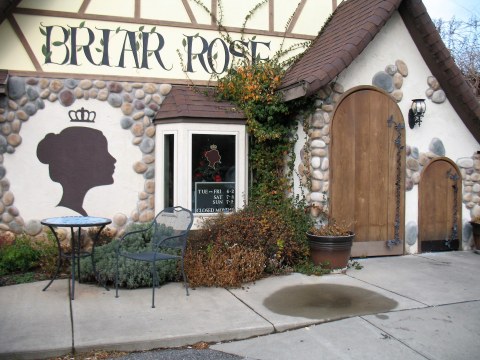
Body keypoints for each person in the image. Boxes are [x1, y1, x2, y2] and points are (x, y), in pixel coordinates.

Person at [37, 126, 116, 216]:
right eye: (102, 153)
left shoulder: (76, 211)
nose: (112, 159)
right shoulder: (70, 214)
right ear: (77, 162)